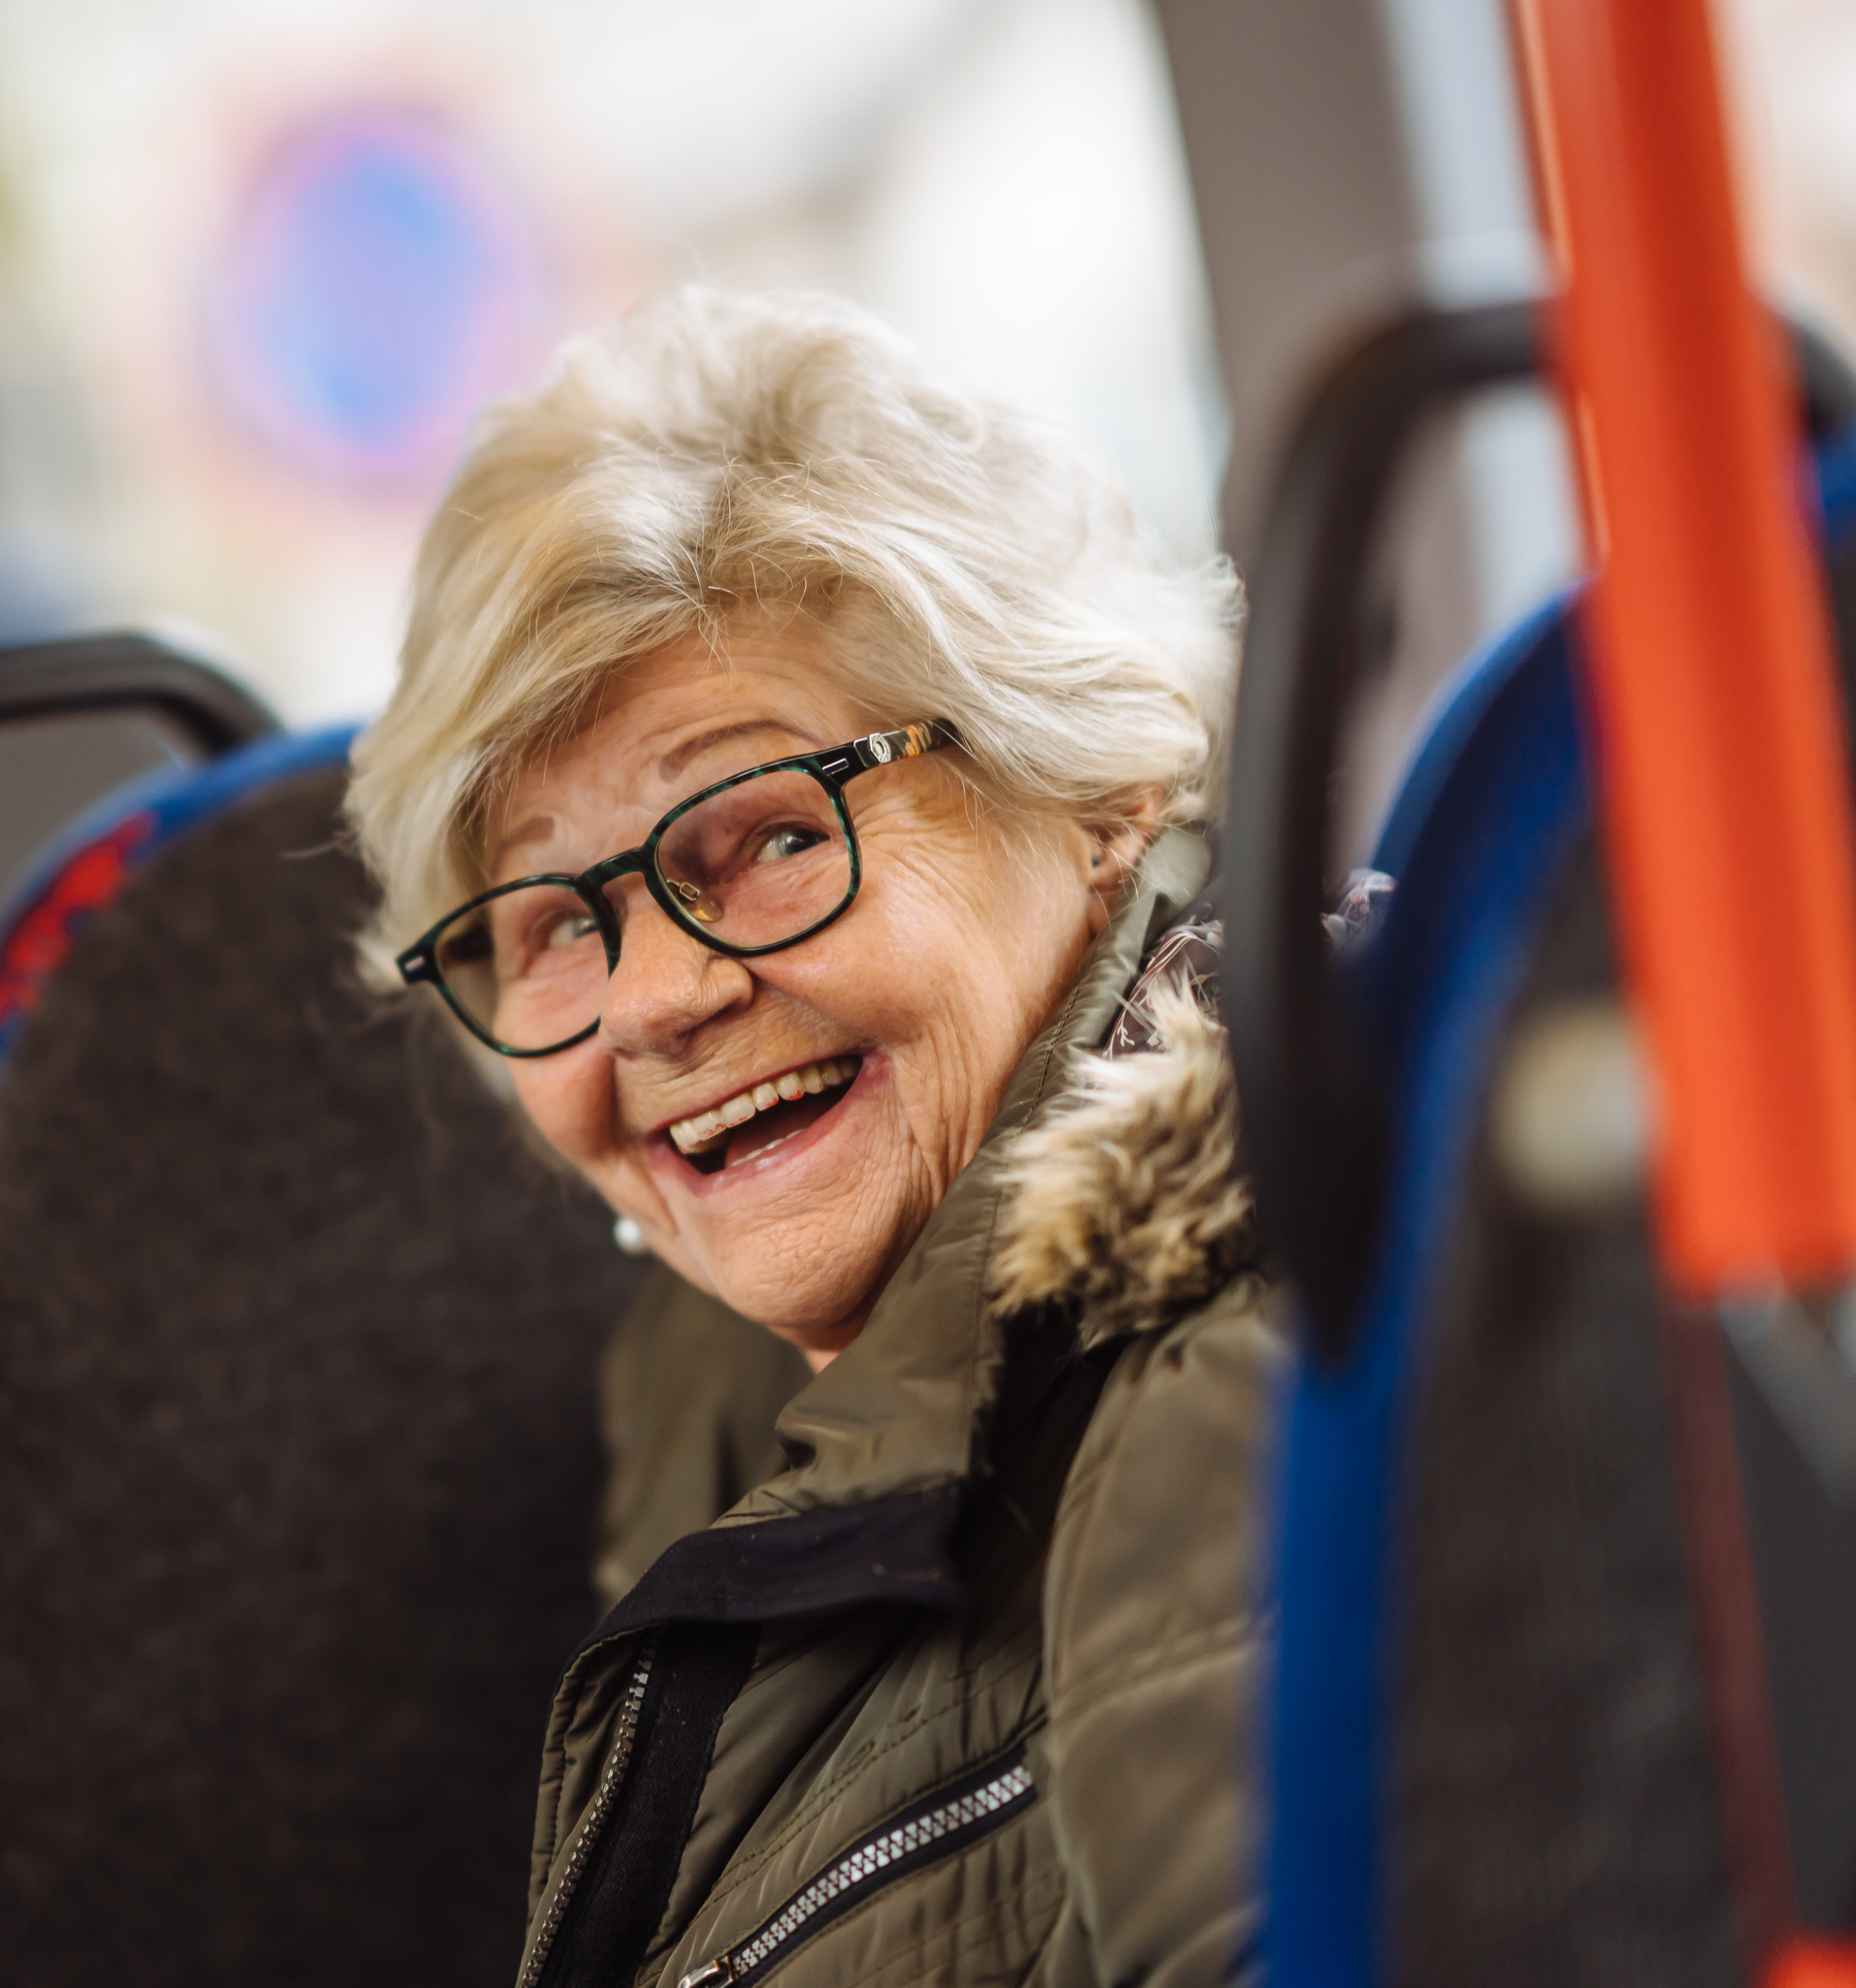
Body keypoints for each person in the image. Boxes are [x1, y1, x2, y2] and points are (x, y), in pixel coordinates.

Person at [348, 288, 1277, 1987]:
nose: (648, 1002)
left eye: (767, 832)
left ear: (1092, 792)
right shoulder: (706, 1405)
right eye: (552, 922)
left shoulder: (1221, 1381)